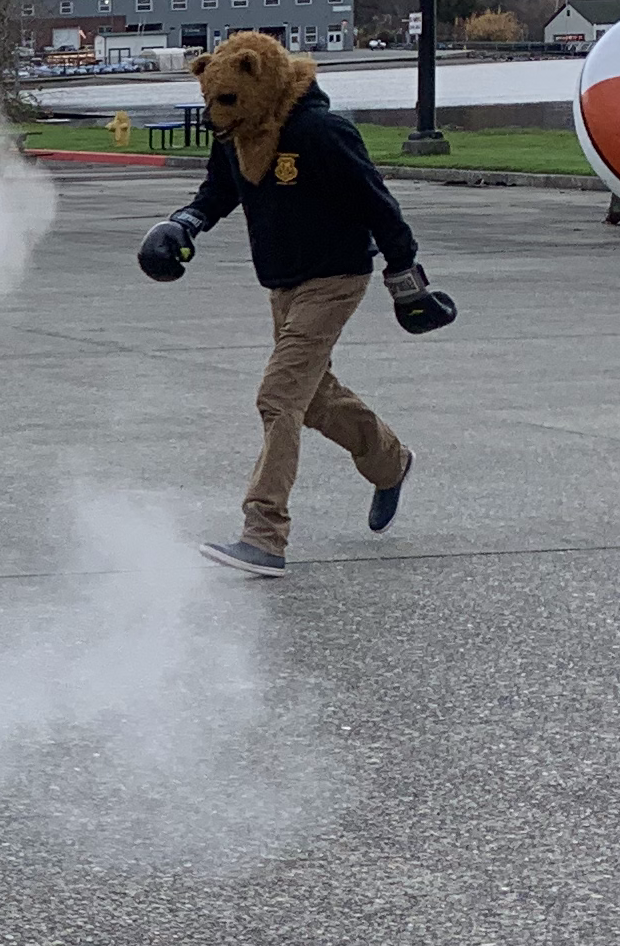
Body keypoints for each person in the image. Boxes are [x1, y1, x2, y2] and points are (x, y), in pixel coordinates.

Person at [137, 31, 441, 579]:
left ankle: (264, 535)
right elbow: (217, 192)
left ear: (258, 78)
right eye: (209, 102)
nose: (214, 116)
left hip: (335, 278)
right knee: (315, 399)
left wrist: (407, 280)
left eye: (225, 102)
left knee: (278, 397)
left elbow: (379, 204)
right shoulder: (237, 131)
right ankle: (391, 464)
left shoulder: (320, 132)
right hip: (282, 282)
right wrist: (184, 223)